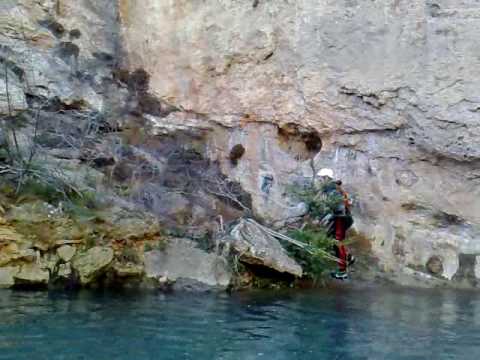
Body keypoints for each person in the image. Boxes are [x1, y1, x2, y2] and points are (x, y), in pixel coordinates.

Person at [331, 180, 355, 280]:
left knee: (337, 242)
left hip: (341, 218)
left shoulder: (338, 193)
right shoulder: (339, 193)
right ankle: (348, 257)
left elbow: (339, 208)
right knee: (334, 241)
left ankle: (342, 271)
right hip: (341, 218)